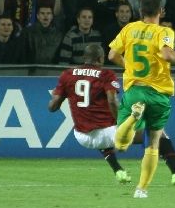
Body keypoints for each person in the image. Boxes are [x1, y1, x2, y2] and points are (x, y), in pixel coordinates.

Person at [108, 0, 175, 198]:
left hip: (134, 91)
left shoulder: (129, 28)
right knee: (154, 142)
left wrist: (129, 67)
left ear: (140, 11)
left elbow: (112, 55)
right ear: (161, 11)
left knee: (121, 143)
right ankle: (141, 189)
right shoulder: (164, 31)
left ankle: (133, 116)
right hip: (159, 94)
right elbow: (167, 54)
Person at [48, 43, 133, 184]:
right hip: (107, 134)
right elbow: (112, 101)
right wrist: (122, 124)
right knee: (153, 132)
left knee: (100, 137)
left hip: (81, 137)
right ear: (101, 58)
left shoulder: (67, 75)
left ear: (84, 58)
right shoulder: (106, 74)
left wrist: (57, 99)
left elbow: (53, 107)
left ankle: (118, 171)